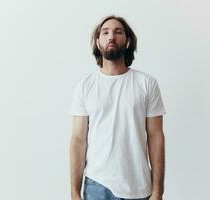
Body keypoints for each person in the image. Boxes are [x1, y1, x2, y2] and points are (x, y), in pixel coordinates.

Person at [69, 15, 166, 200]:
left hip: (139, 187)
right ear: (98, 42)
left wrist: (158, 191)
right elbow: (78, 140)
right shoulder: (85, 87)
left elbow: (156, 137)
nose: (111, 36)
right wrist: (74, 192)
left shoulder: (146, 84)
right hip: (97, 185)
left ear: (128, 42)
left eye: (118, 32)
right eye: (105, 32)